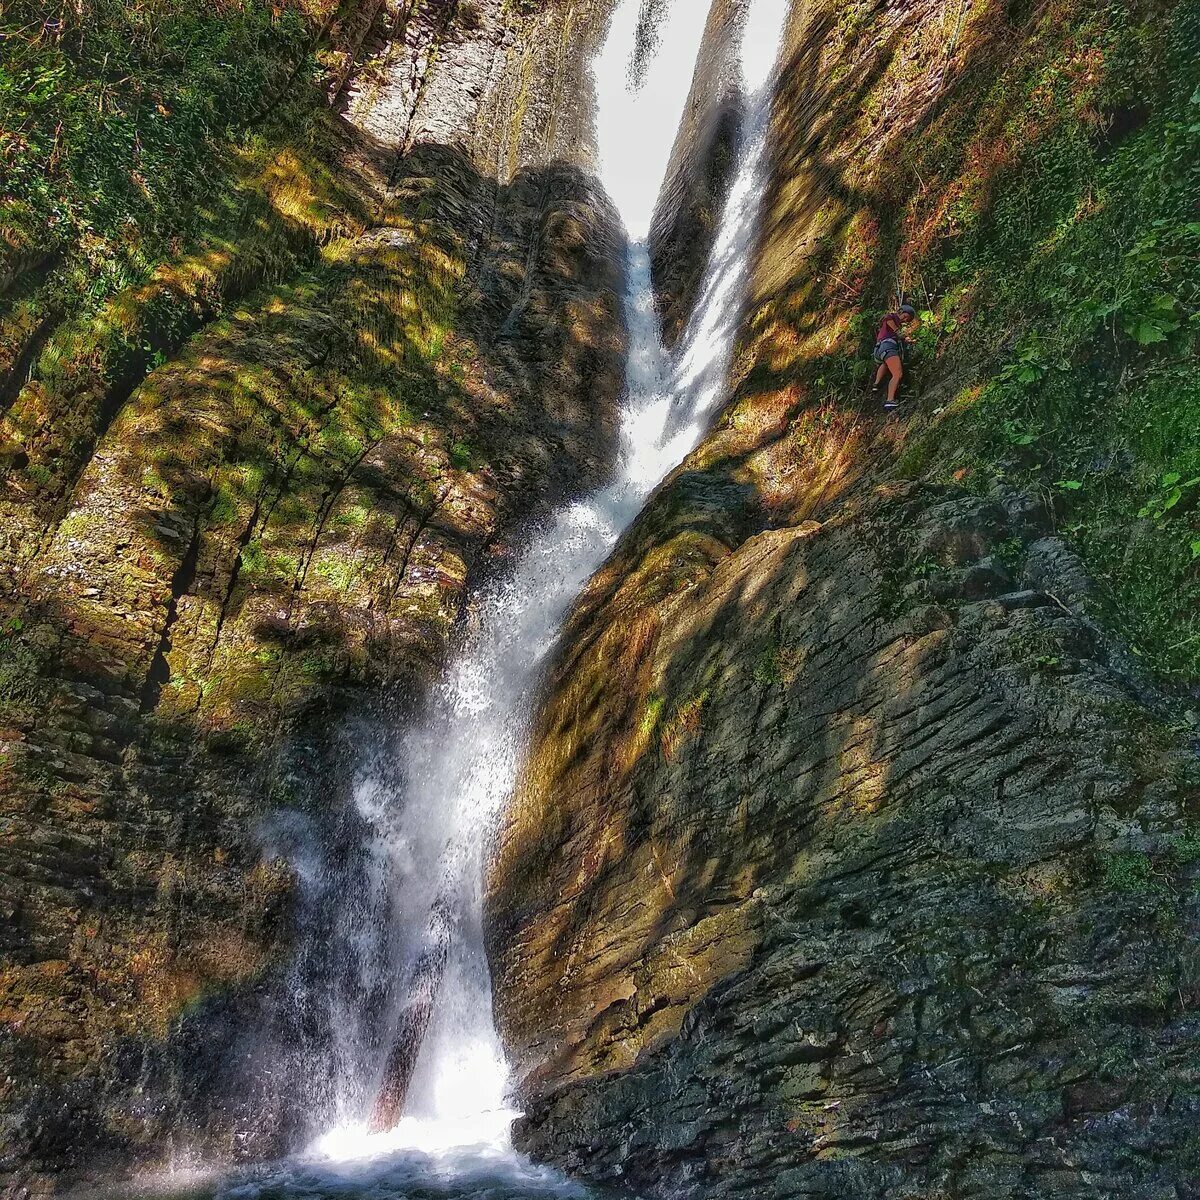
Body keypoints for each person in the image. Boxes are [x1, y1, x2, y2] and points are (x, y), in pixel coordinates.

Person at [872, 302, 920, 409]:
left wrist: (908, 340)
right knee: (897, 373)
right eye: (906, 317)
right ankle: (890, 400)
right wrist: (898, 331)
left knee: (885, 363)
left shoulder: (892, 328)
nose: (905, 320)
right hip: (888, 346)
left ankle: (876, 383)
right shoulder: (892, 317)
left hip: (880, 349)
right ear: (901, 312)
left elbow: (901, 337)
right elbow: (887, 319)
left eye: (908, 320)